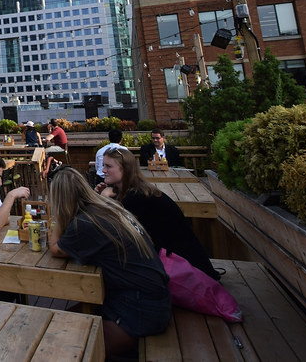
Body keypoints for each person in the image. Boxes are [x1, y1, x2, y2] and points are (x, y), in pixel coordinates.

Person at [47, 167, 171, 356]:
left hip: (140, 309)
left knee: (61, 341)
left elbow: (55, 248)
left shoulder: (86, 223)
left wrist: (57, 216)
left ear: (61, 199)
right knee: (63, 320)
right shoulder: (107, 208)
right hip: (152, 299)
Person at [96, 146, 219, 280]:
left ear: (125, 169)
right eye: (103, 166)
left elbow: (118, 233)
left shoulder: (136, 195)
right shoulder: (133, 191)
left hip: (189, 273)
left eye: (108, 166)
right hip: (179, 264)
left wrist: (103, 200)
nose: (103, 170)